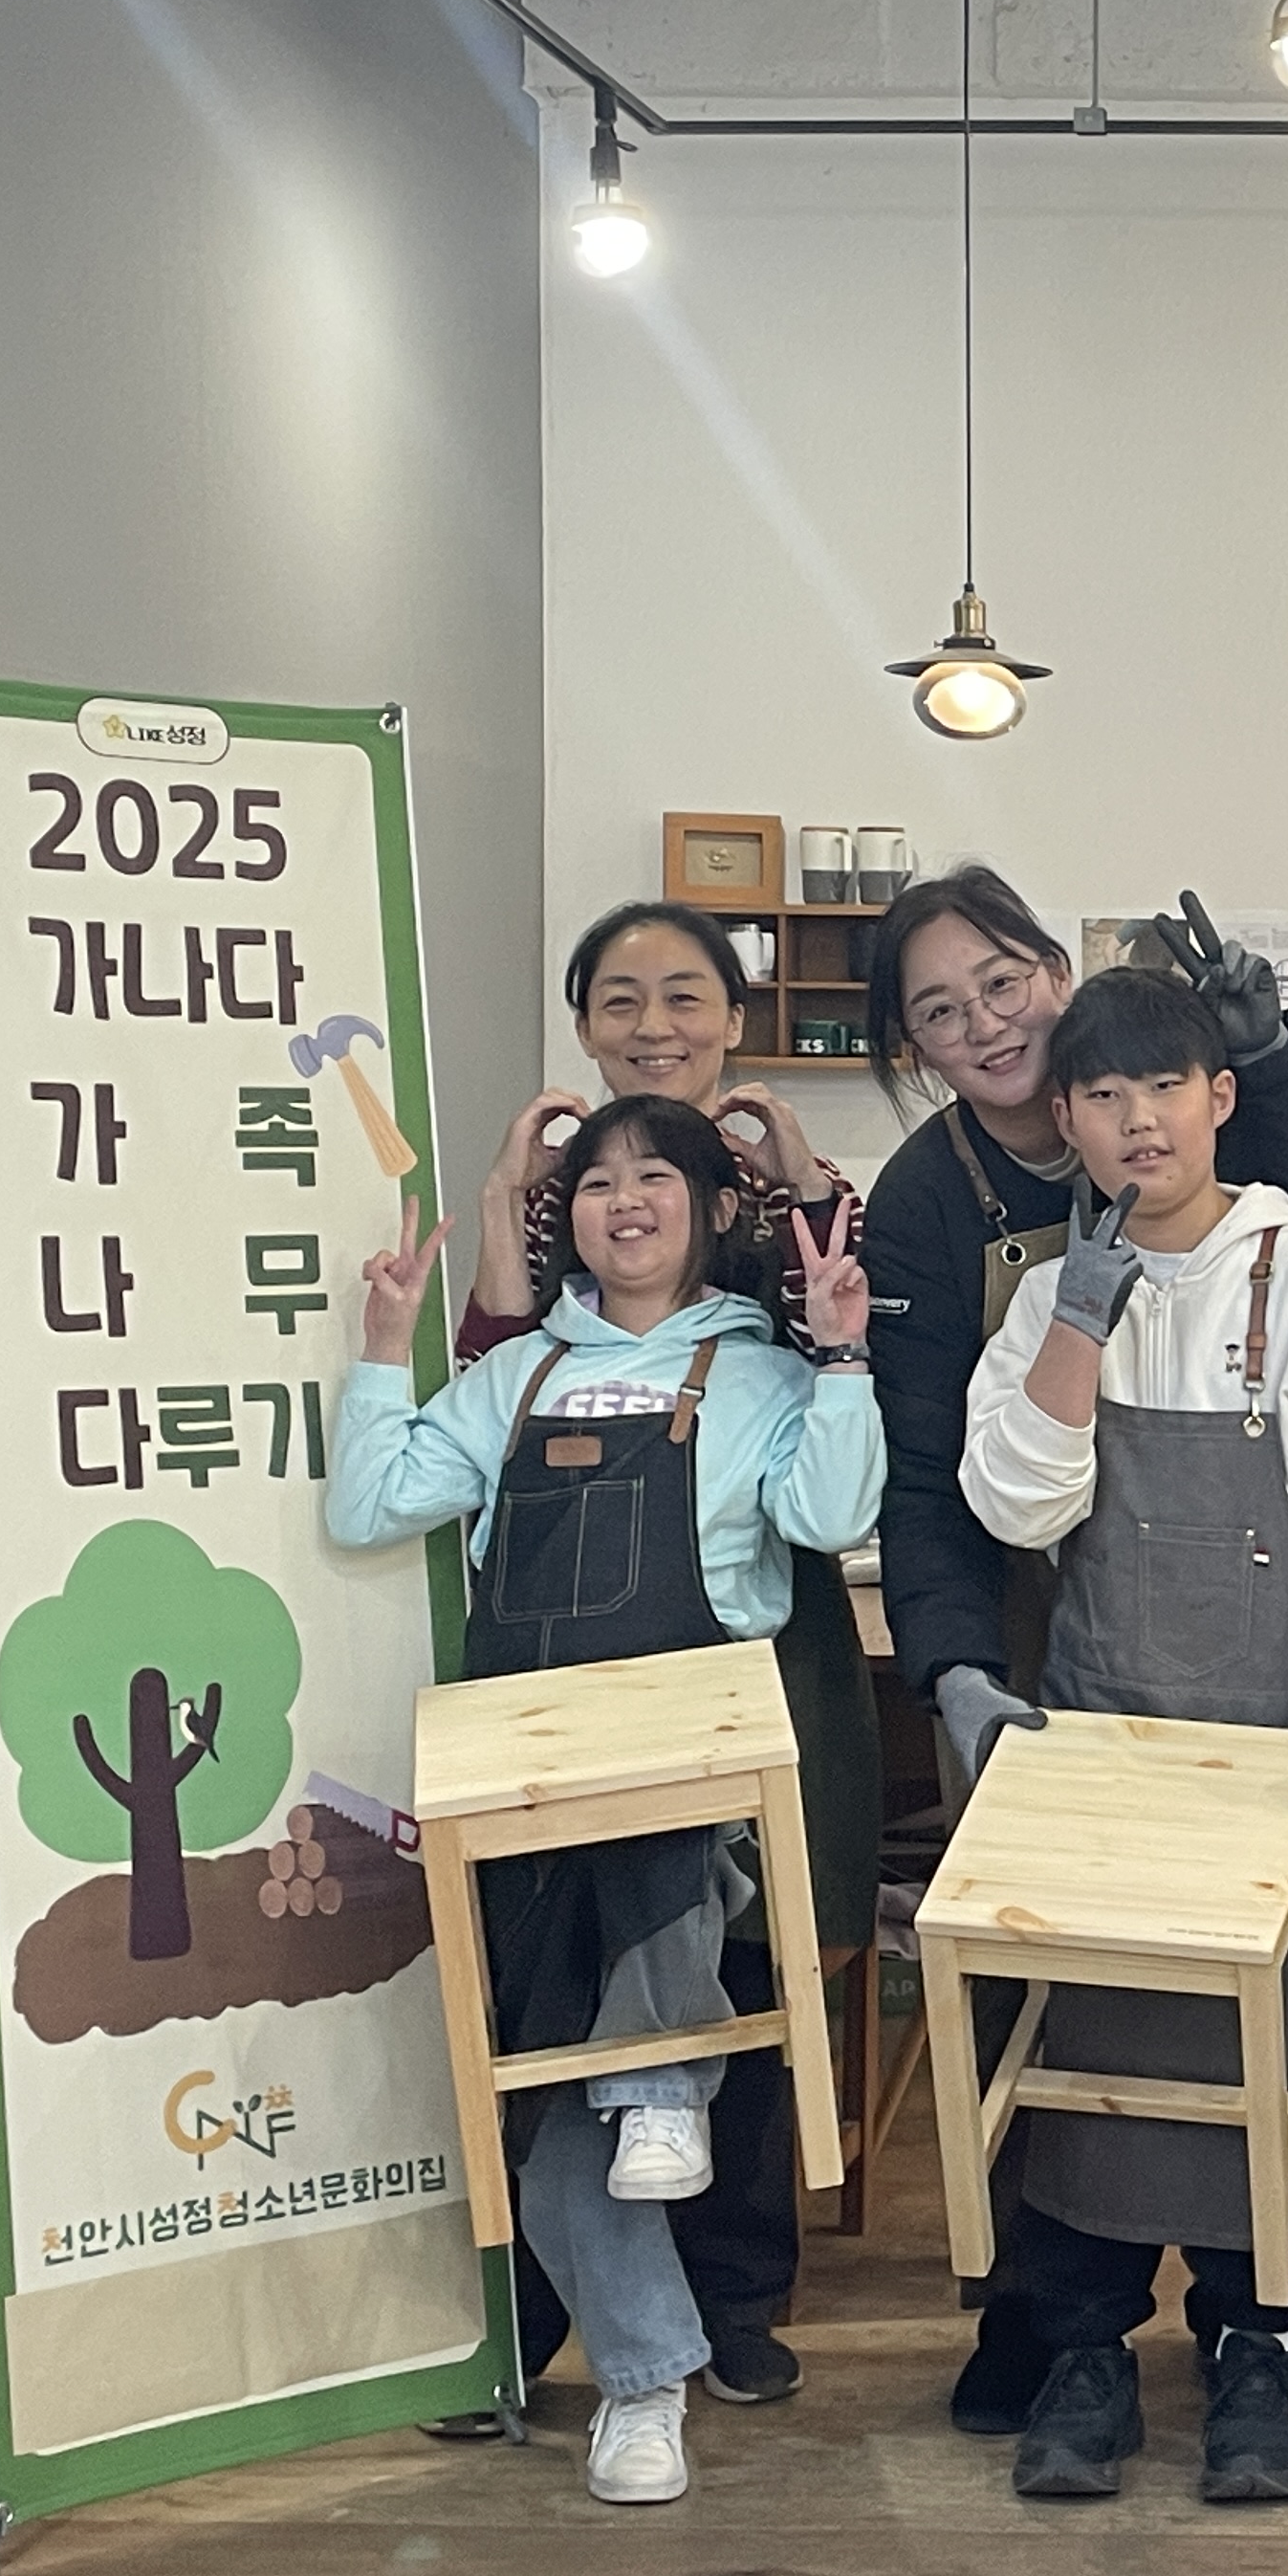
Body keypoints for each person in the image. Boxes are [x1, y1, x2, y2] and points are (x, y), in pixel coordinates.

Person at [850, 870, 1288, 2435]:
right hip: (1085, 1716)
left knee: (1264, 2034)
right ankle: (1074, 2335)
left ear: (1220, 1094)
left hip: (1274, 1733)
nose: (1134, 1120)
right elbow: (993, 1497)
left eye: (1164, 1087)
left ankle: (1256, 2332)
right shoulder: (990, 1246)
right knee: (1078, 2016)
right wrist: (1077, 1328)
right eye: (938, 1012)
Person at [329, 1097, 881, 2507]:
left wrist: (841, 1358)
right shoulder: (517, 1377)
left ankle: (645, 2351)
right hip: (519, 1785)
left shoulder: (761, 1372)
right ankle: (645, 2350)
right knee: (555, 2097)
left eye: (654, 1178)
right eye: (594, 1183)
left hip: (691, 1778)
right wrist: (386, 1349)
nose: (622, 1202)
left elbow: (829, 1520)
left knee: (651, 1869)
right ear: (562, 1217)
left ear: (715, 1209)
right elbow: (371, 1504)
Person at [446, 898, 870, 2413]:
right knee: (549, 1959)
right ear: (583, 1025)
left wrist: (804, 1184)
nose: (653, 1023)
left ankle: (734, 2295)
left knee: (734, 1946)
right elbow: (493, 1386)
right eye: (619, 998)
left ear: (733, 1020)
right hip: (560, 1641)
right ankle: (536, 2309)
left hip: (748, 1628)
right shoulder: (557, 1192)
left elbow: (856, 1340)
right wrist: (506, 1210)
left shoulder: (776, 1189)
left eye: (685, 994)